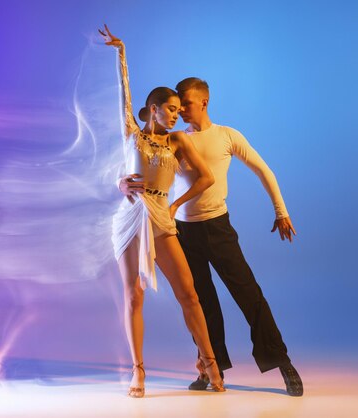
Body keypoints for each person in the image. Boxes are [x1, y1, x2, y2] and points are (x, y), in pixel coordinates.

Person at [119, 77, 304, 396]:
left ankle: (281, 361)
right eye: (174, 106)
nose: (180, 110)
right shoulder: (173, 138)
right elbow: (140, 168)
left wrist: (281, 210)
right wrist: (122, 184)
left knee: (249, 295)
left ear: (203, 103)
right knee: (199, 300)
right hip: (180, 229)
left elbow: (263, 170)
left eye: (185, 104)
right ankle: (209, 366)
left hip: (217, 225)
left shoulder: (226, 136)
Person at [99, 25, 224, 398]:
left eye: (178, 110)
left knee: (189, 295)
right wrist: (121, 51)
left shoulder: (179, 140)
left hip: (161, 215)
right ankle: (138, 370)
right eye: (170, 110)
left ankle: (210, 362)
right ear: (152, 110)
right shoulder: (132, 134)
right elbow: (123, 93)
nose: (176, 115)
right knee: (133, 295)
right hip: (130, 218)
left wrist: (174, 204)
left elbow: (204, 178)